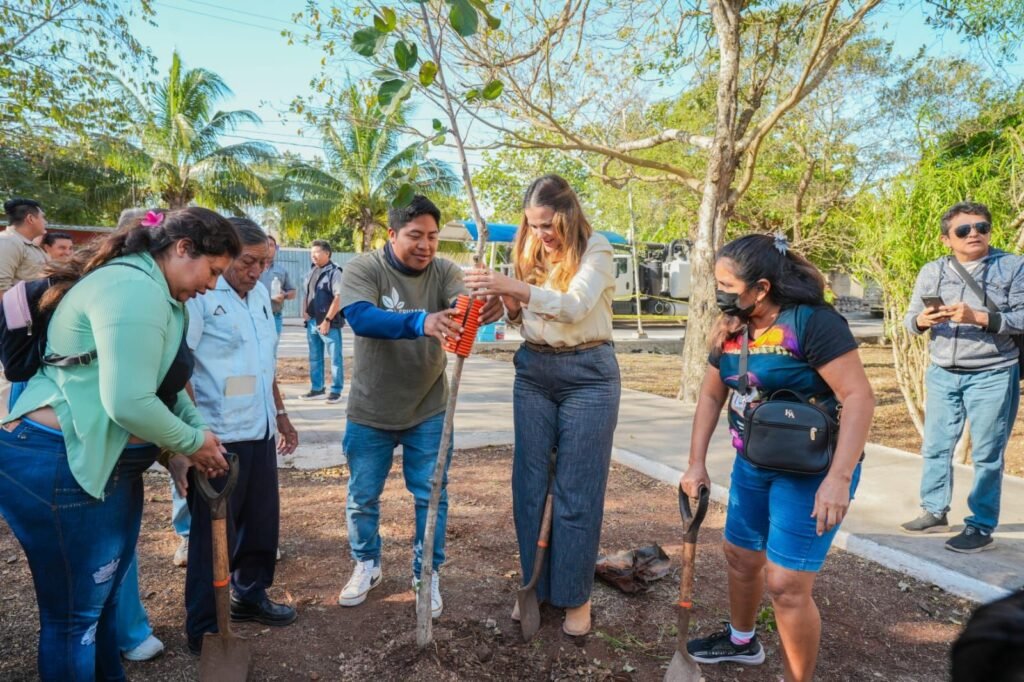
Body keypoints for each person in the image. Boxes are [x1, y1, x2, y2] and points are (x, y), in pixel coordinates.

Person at [0, 207, 237, 681]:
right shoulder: (132, 288)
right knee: (75, 621)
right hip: (60, 463)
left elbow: (165, 386)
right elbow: (128, 402)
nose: (212, 286)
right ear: (183, 248)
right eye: (212, 271)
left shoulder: (161, 294)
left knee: (103, 605)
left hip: (103, 466)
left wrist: (194, 436)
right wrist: (192, 443)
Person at [679, 234, 874, 682]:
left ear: (761, 288)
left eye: (727, 285)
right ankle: (742, 641)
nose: (718, 292)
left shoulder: (812, 323)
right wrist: (696, 462)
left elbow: (859, 397)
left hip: (812, 470)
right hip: (753, 463)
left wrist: (839, 479)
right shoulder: (731, 326)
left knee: (786, 585)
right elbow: (710, 396)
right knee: (740, 556)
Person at [464, 174, 620, 637]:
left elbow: (574, 307)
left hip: (589, 375)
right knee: (529, 485)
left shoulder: (596, 249)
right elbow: (522, 318)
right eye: (533, 225)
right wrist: (506, 303)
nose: (540, 233)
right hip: (534, 371)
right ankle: (535, 585)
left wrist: (515, 289)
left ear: (568, 215)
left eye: (548, 224)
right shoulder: (527, 249)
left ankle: (575, 595)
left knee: (577, 490)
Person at [336, 195, 502, 617]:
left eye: (432, 236)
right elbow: (360, 317)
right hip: (370, 411)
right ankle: (367, 563)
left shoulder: (444, 271)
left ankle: (426, 573)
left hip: (429, 408)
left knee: (431, 496)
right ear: (392, 234)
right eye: (415, 236)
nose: (426, 245)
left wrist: (482, 308)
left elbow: (462, 304)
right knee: (362, 497)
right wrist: (421, 321)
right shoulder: (364, 268)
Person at [181, 217, 300, 655]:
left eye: (263, 263)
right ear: (227, 256)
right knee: (213, 535)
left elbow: (264, 364)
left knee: (261, 522)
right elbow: (181, 369)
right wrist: (195, 434)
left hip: (259, 428)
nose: (256, 271)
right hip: (218, 436)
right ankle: (205, 624)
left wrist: (281, 415)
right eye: (248, 262)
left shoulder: (261, 298)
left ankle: (250, 594)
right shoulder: (202, 297)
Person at [900, 202, 1024, 552]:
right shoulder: (932, 270)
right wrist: (922, 321)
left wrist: (980, 317)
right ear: (946, 239)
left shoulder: (1013, 267)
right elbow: (909, 320)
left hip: (993, 371)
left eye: (982, 227)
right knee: (936, 446)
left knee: (987, 454)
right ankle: (934, 510)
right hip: (942, 372)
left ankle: (980, 525)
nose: (974, 234)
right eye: (964, 230)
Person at [300, 239, 344, 403]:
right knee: (314, 357)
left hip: (328, 323)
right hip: (312, 322)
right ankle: (317, 389)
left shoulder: (335, 272)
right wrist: (305, 311)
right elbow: (307, 294)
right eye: (311, 253)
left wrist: (327, 320)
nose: (313, 256)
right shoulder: (311, 271)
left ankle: (336, 391)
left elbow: (339, 297)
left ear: (327, 253)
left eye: (316, 252)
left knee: (335, 358)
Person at [0, 198, 48, 297]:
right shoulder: (8, 241)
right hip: (15, 307)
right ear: (30, 218)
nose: (45, 222)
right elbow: (1, 288)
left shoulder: (24, 244)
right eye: (42, 217)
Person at [258, 234, 297, 355]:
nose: (268, 247)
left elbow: (293, 292)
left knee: (271, 352)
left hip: (275, 317)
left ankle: (271, 368)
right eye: (266, 244)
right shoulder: (252, 268)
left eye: (271, 245)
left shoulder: (281, 270)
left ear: (276, 248)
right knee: (255, 351)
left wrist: (284, 295)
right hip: (255, 316)